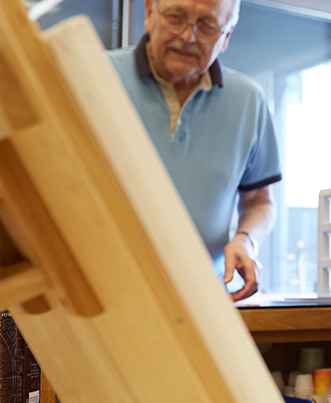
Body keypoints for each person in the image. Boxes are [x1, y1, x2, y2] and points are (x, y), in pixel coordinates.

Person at [108, 0, 280, 300]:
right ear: (149, 14)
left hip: (201, 300)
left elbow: (259, 201)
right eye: (176, 17)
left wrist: (245, 239)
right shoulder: (98, 75)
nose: (188, 36)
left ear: (226, 36)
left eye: (208, 26)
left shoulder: (249, 101)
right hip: (100, 292)